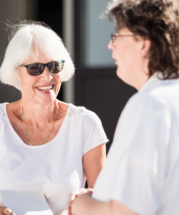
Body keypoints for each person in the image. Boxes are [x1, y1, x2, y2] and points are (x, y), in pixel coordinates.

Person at [0, 22, 108, 215]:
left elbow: (104, 202)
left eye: (54, 66)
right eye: (35, 68)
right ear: (16, 71)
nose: (47, 76)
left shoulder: (85, 123)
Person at [67, 0, 179, 214]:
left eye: (117, 35)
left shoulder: (150, 105)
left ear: (143, 44)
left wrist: (80, 204)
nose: (111, 45)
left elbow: (127, 211)